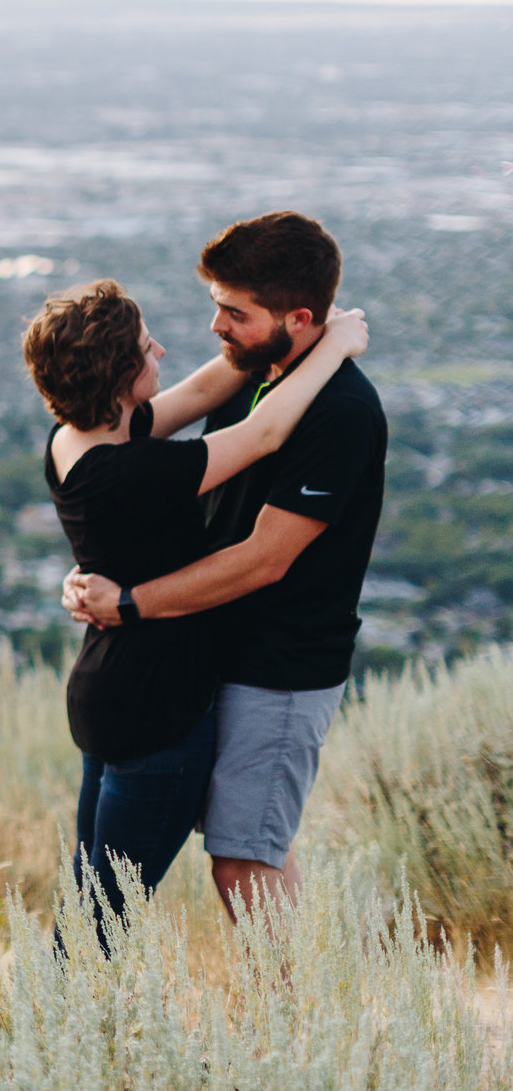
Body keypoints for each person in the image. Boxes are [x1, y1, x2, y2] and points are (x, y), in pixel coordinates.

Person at [63, 212, 385, 922]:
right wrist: (96, 567)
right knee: (248, 848)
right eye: (216, 304)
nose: (215, 326)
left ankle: (305, 1024)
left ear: (298, 318)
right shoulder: (255, 369)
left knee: (245, 856)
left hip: (280, 666)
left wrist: (131, 601)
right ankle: (299, 1012)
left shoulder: (341, 411)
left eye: (233, 311)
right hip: (214, 651)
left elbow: (262, 560)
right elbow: (128, 463)